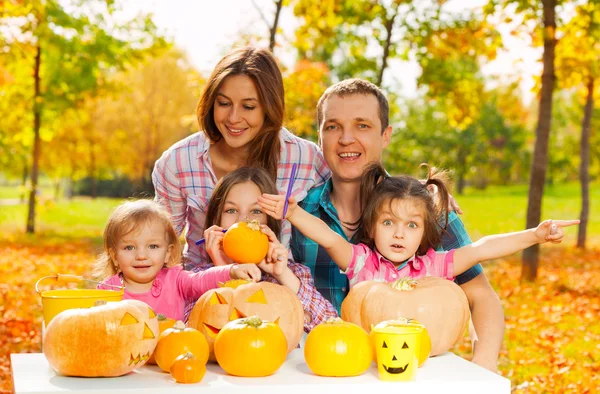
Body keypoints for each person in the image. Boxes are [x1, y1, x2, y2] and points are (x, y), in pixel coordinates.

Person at [289, 78, 505, 372]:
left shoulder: (425, 210)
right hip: (328, 372)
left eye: (362, 126)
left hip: (410, 374)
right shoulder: (301, 215)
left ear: (386, 135)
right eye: (333, 126)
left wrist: (484, 364)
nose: (345, 138)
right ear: (320, 136)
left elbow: (481, 296)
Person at [151, 46, 337, 325]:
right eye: (223, 103)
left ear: (269, 108)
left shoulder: (305, 158)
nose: (233, 118)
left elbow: (352, 194)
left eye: (248, 107)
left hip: (274, 283)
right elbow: (159, 247)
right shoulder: (177, 162)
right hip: (204, 283)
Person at [260, 162, 578, 286]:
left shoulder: (434, 266)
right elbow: (329, 238)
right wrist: (292, 213)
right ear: (371, 227)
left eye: (412, 226)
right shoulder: (361, 262)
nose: (399, 233)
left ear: (425, 232)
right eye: (389, 222)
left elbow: (483, 248)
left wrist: (535, 235)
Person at [94, 199, 261, 321]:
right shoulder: (108, 292)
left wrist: (231, 271)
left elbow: (202, 280)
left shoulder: (176, 280)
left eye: (153, 246)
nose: (141, 256)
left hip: (173, 359)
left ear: (168, 253)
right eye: (129, 248)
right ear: (115, 256)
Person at [202, 166, 325, 330]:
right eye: (231, 210)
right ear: (215, 219)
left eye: (256, 211)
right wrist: (224, 270)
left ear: (270, 221)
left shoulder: (294, 273)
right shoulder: (198, 278)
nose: (243, 221)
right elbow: (198, 328)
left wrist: (282, 274)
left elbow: (330, 327)